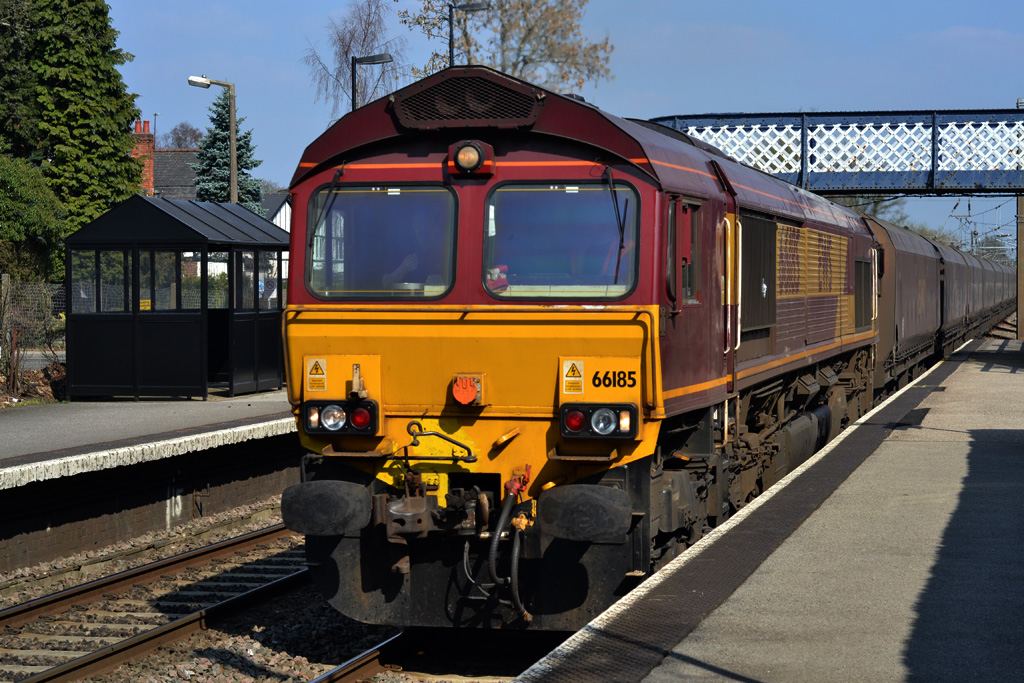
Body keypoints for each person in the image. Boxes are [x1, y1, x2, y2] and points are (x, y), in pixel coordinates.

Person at [382, 213, 448, 289]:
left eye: (425, 224)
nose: (422, 229)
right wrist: (403, 268)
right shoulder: (402, 250)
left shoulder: (444, 251)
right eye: (418, 225)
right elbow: (385, 284)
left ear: (433, 227)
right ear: (413, 227)